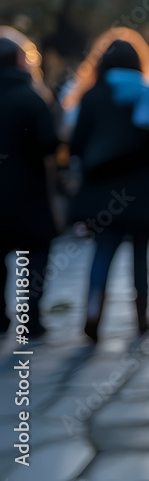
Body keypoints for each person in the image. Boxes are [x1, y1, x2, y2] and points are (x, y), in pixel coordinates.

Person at [68, 31, 149, 342]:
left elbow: (76, 145)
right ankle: (142, 317)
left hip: (102, 192)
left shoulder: (92, 96)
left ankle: (92, 313)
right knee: (141, 256)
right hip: (142, 192)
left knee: (102, 253)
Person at [0, 37, 58, 340]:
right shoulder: (31, 97)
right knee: (35, 258)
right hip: (28, 193)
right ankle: (31, 318)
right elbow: (49, 142)